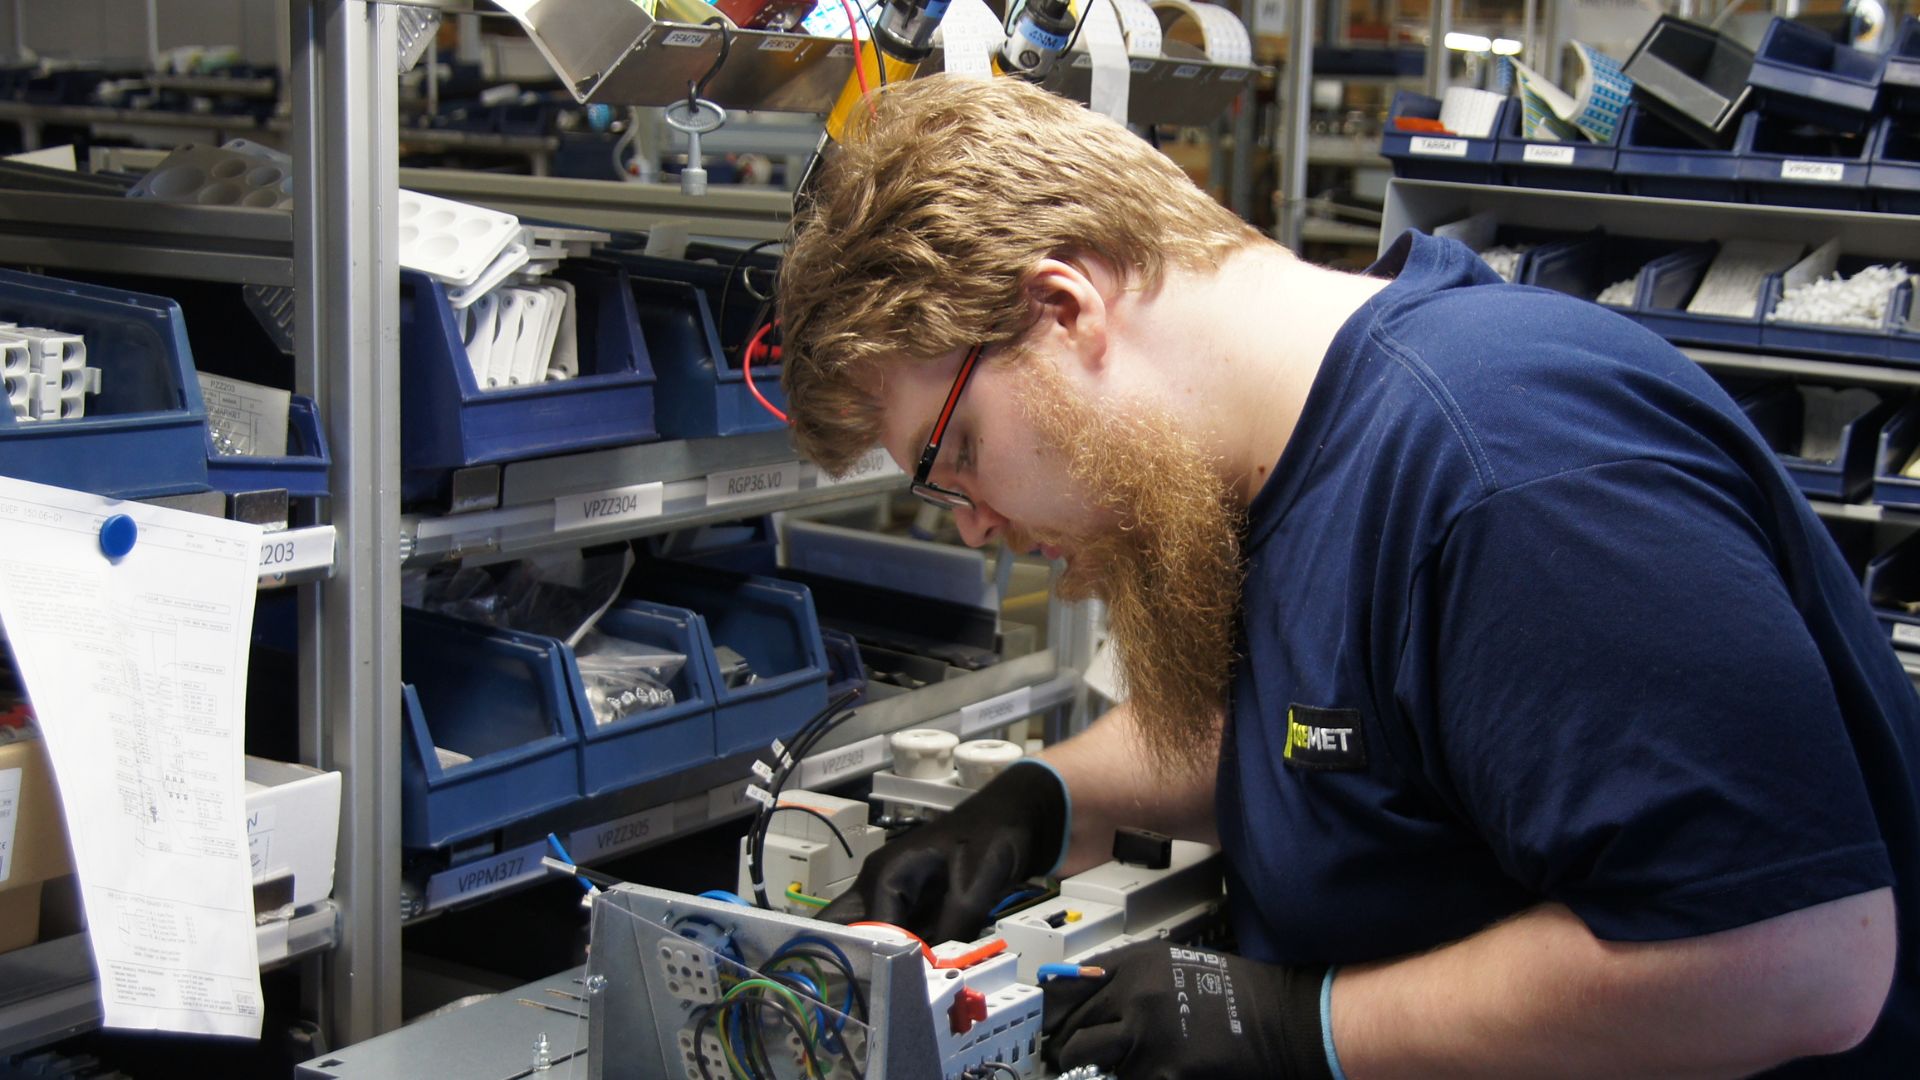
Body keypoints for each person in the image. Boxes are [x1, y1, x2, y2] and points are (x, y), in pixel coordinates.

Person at [774, 73, 1918, 1078]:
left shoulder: (1508, 470)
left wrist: (1301, 1028)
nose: (975, 527)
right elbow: (1333, 732)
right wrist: (1044, 801)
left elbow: (1796, 963)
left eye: (956, 455)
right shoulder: (1281, 461)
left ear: (1063, 311)